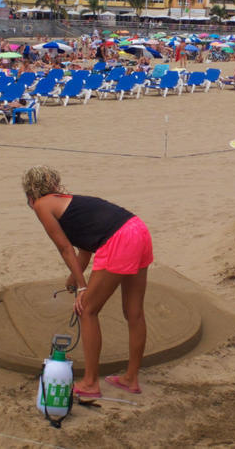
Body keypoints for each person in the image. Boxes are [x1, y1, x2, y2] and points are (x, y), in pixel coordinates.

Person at [23, 166, 152, 398]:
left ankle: (91, 382)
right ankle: (131, 378)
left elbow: (65, 248)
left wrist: (83, 288)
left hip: (118, 239)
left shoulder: (42, 205)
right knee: (134, 313)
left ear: (30, 195)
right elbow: (85, 247)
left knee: (87, 310)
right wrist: (75, 277)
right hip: (137, 229)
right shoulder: (70, 202)